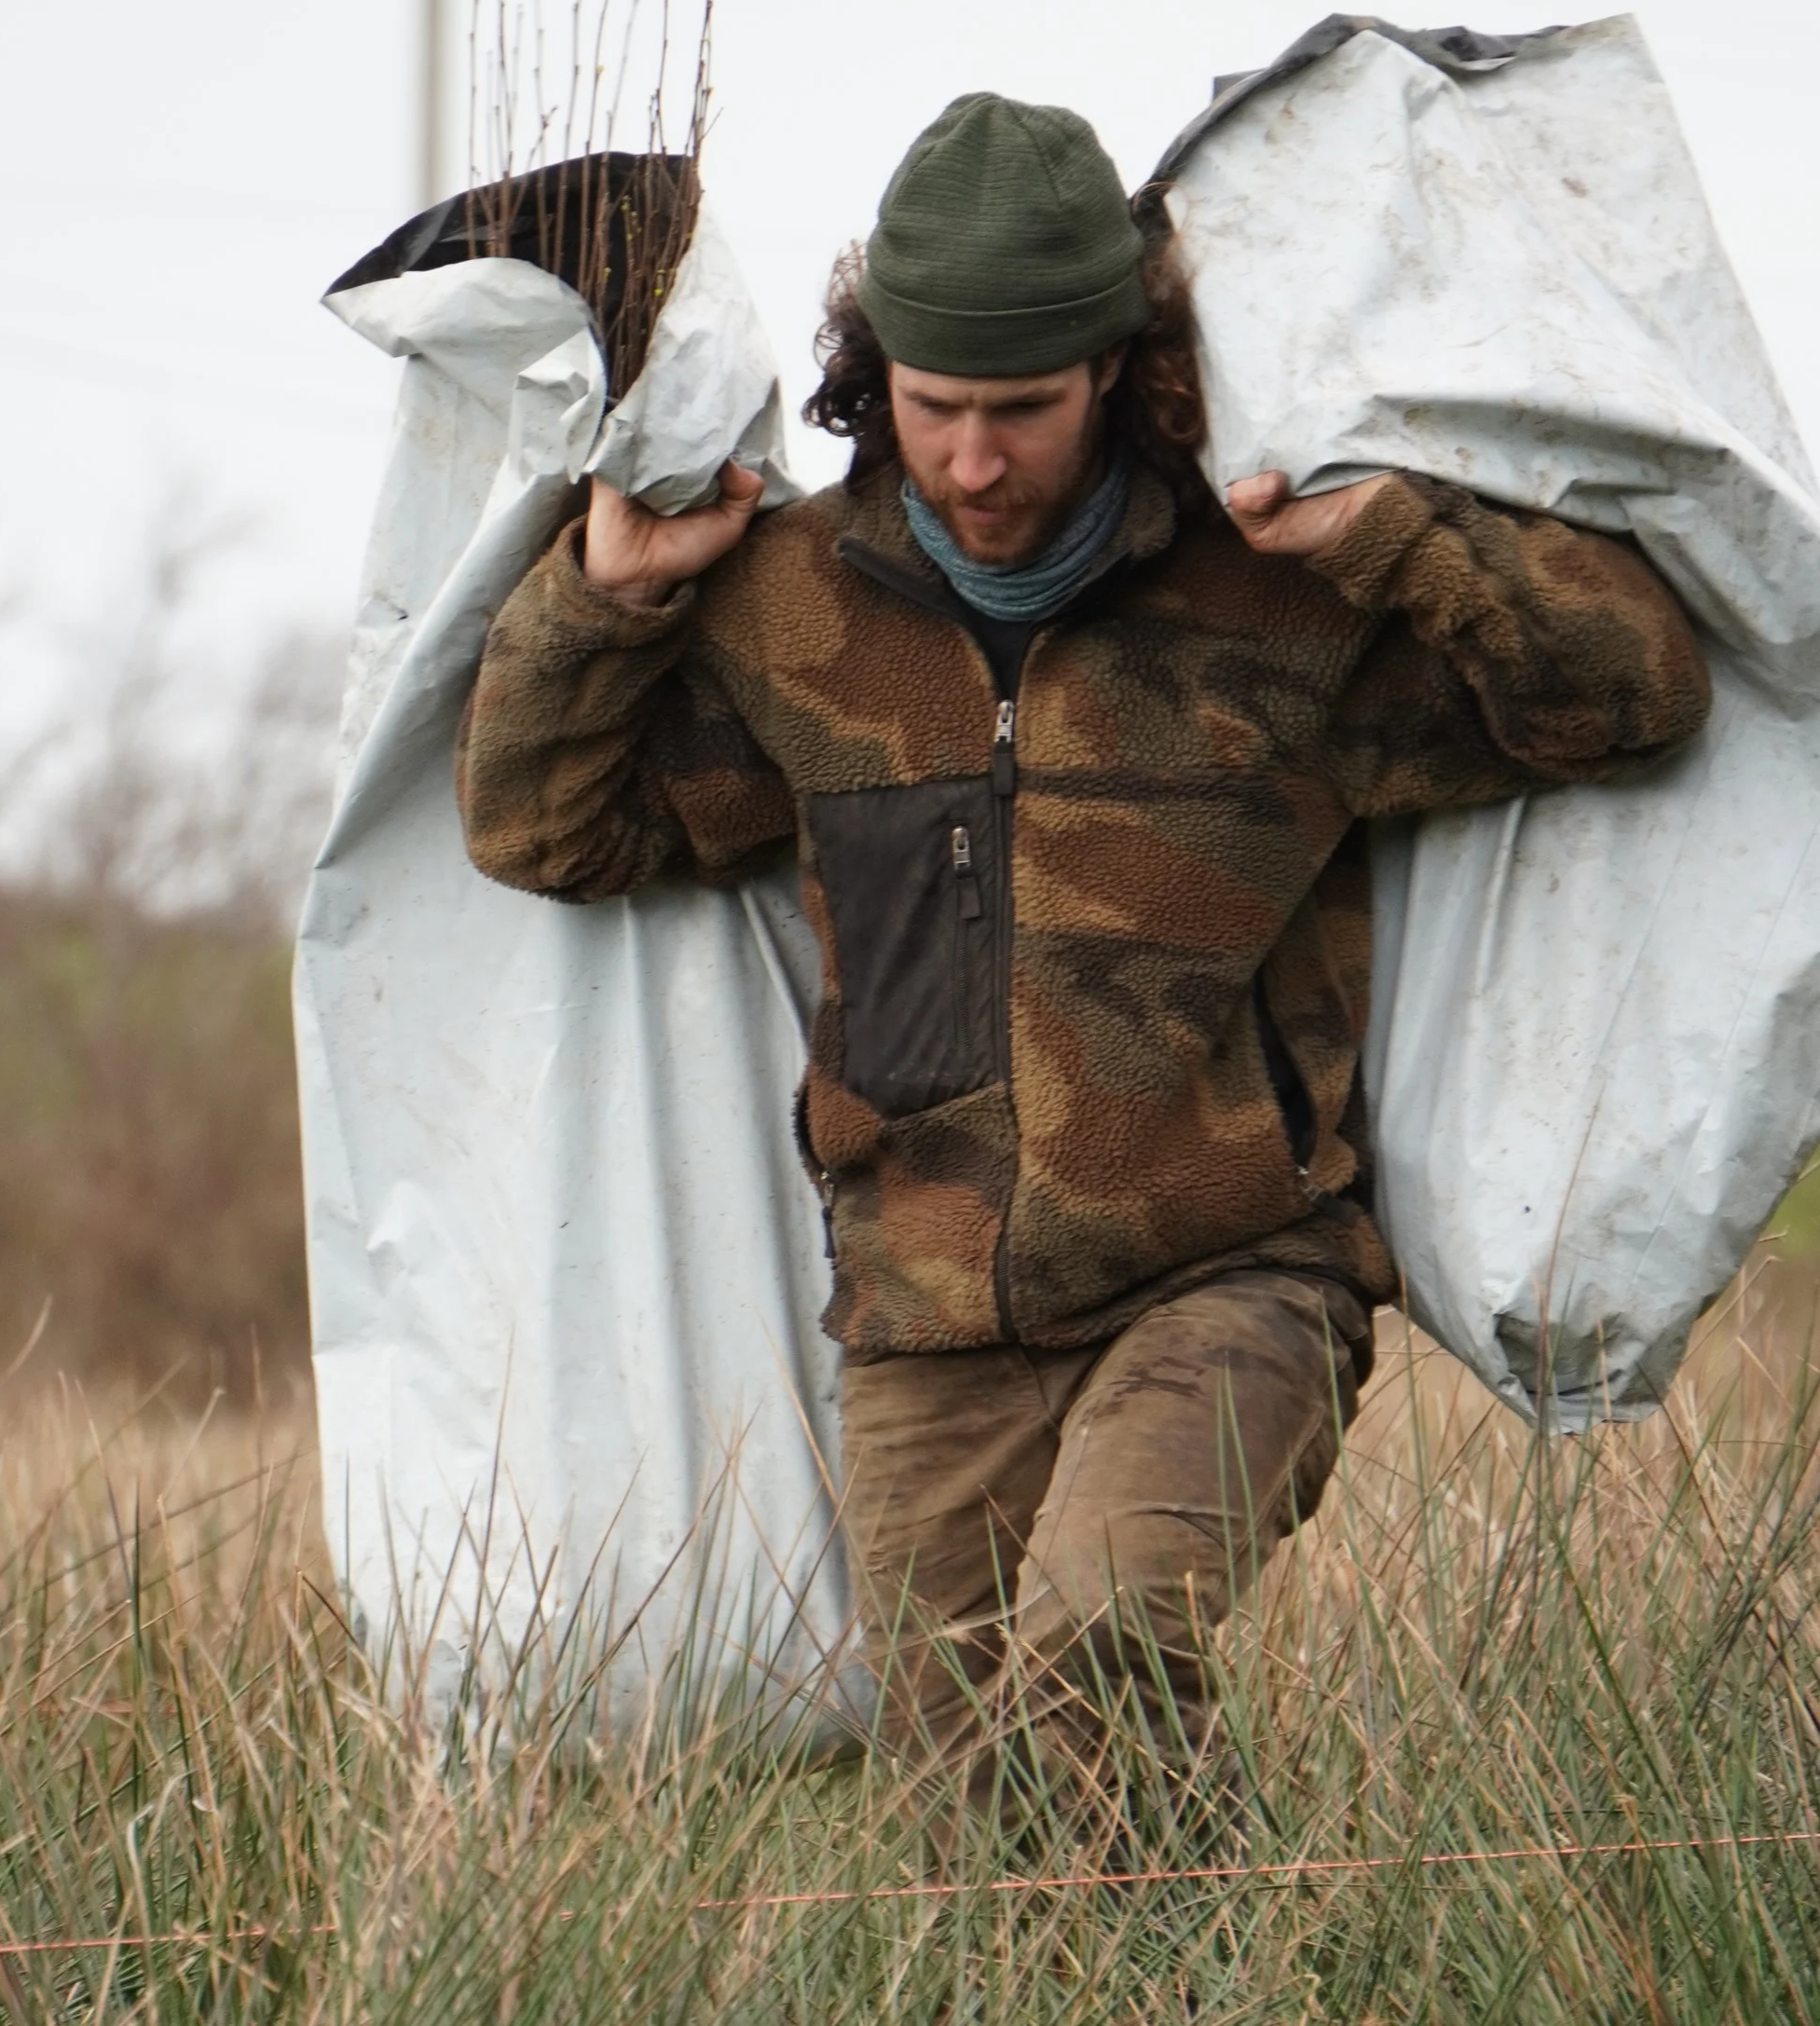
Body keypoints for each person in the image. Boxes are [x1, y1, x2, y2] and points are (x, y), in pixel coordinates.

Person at [454, 92, 1710, 1841]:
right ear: (870, 371)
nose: (974, 460)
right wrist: (608, 598)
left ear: (1119, 373)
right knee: (986, 1827)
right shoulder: (788, 606)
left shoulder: (1276, 591)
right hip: (922, 1328)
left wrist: (1406, 546)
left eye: (1023, 410)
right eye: (934, 405)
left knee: (1107, 1642)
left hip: (1233, 1277)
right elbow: (543, 832)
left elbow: (1628, 702)